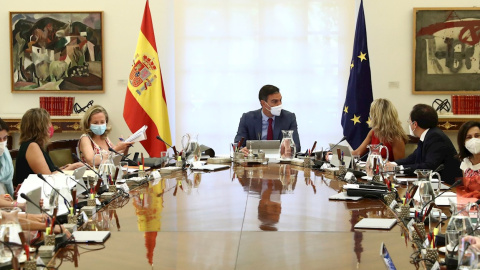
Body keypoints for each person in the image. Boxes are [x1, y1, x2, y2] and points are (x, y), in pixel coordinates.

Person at [387, 104, 462, 185]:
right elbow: (413, 158)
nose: (409, 124)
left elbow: (428, 167)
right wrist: (393, 164)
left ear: (415, 124)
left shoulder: (435, 136)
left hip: (448, 185)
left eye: (409, 121)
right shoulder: (429, 134)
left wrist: (398, 169)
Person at [15, 108, 83, 186]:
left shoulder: (36, 145)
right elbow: (48, 178)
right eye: (48, 123)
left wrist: (64, 168)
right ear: (40, 127)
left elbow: (50, 171)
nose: (50, 126)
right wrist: (74, 166)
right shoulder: (32, 146)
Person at [234, 85, 301, 155]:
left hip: (280, 162)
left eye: (280, 100)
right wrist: (241, 150)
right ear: (263, 103)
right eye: (274, 101)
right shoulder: (247, 118)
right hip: (255, 161)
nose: (279, 104)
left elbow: (297, 146)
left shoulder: (289, 117)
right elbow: (238, 144)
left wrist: (290, 149)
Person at [456, 121, 480, 198]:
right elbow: (467, 190)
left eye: (477, 136)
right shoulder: (465, 162)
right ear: (463, 143)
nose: (474, 140)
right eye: (469, 137)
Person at [0, 119, 14, 196]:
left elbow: (7, 183)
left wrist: (14, 194)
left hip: (8, 201)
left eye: (5, 138)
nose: (2, 142)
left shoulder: (5, 153)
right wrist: (15, 204)